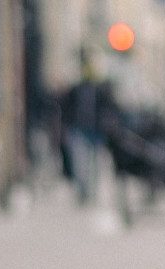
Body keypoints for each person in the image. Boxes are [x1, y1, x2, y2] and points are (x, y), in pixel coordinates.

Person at [59, 53, 116, 204]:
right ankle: (82, 191)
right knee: (80, 164)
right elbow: (66, 109)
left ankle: (92, 192)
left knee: (95, 166)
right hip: (79, 131)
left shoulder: (101, 90)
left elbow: (109, 110)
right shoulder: (75, 90)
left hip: (96, 133)